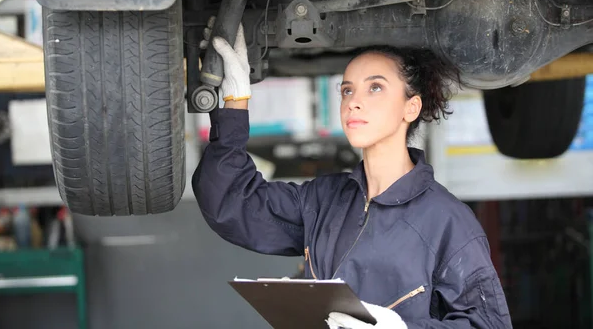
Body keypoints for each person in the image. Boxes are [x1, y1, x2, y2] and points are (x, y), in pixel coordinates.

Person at [192, 20, 512, 329]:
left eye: (375, 88)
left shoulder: (447, 222)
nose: (353, 103)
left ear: (411, 108)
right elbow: (232, 205)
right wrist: (233, 105)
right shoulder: (325, 201)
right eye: (347, 90)